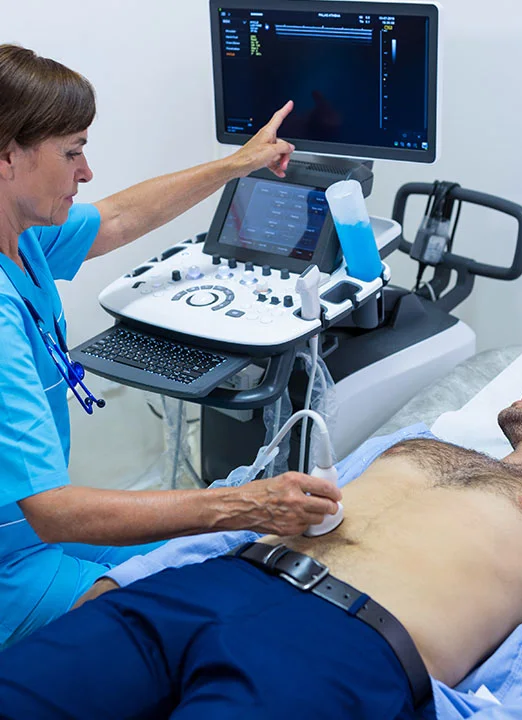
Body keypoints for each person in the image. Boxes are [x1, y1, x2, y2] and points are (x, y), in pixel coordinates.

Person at [0, 346, 522, 719]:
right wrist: (133, 579)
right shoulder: (416, 443)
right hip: (212, 585)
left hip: (342, 652)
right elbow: (264, 510)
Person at [0, 43, 343, 648]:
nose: (86, 172)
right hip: (15, 559)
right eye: (72, 151)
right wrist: (245, 504)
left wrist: (238, 165)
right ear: (7, 157)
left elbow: (115, 221)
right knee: (194, 622)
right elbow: (55, 509)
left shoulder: (22, 237)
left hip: (26, 530)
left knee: (207, 551)